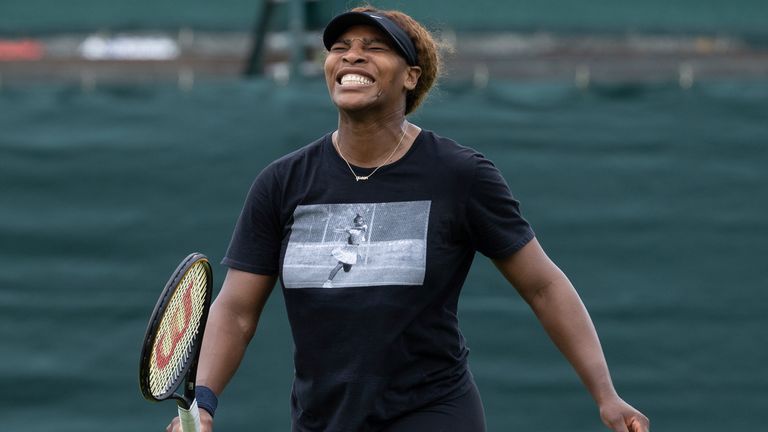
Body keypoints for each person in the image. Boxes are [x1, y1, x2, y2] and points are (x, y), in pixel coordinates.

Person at [166, 6, 650, 432]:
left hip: (433, 409)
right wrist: (204, 402)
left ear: (412, 76)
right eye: (340, 47)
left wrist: (605, 395)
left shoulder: (461, 174)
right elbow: (236, 310)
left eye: (373, 47)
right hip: (322, 417)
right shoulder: (281, 182)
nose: (352, 56)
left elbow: (544, 286)